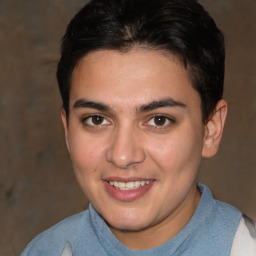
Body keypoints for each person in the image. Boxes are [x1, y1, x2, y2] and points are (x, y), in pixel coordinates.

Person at [21, 0, 256, 255]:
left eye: (158, 120)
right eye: (97, 120)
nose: (122, 156)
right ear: (68, 131)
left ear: (211, 129)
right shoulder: (44, 251)